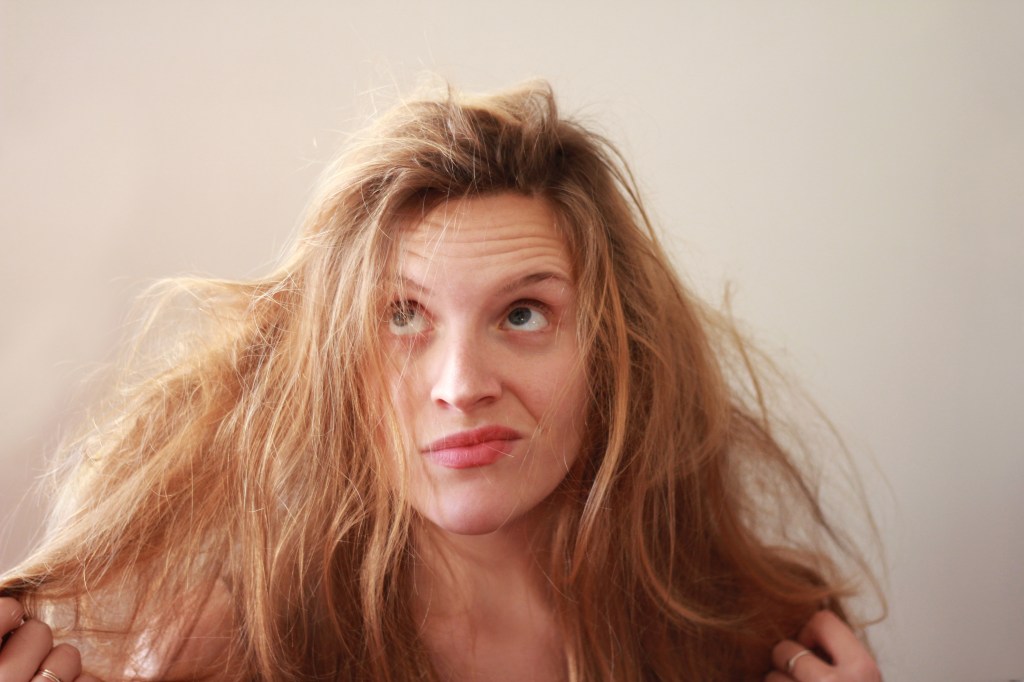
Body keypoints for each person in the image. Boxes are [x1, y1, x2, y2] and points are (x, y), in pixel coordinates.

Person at [0, 80, 883, 681]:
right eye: (401, 316)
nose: (461, 385)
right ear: (332, 364)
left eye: (523, 313)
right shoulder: (230, 645)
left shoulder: (757, 634)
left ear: (619, 350)